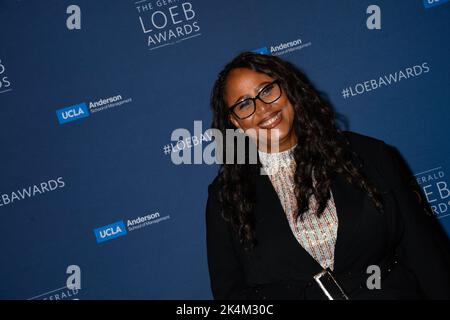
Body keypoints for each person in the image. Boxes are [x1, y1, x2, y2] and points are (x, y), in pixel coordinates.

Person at [205, 51, 450, 300]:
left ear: (286, 88)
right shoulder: (226, 196)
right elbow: (231, 296)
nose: (263, 108)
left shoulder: (369, 155)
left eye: (267, 90)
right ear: (234, 121)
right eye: (244, 104)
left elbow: (426, 255)